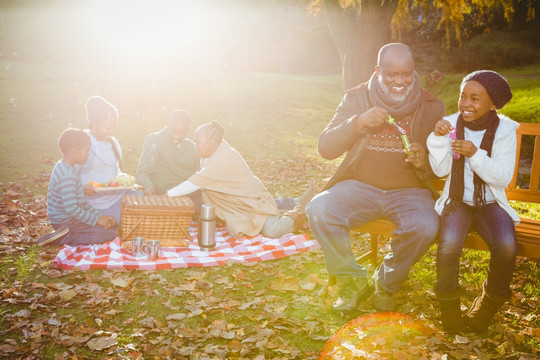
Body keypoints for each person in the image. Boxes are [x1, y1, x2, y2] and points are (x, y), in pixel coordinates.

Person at [306, 43, 445, 313]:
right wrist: (357, 123)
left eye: (406, 74)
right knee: (319, 209)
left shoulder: (431, 105)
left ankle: (386, 281)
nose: (400, 81)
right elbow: (325, 148)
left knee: (425, 226)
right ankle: (352, 280)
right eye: (392, 74)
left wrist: (423, 161)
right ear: (378, 70)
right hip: (359, 188)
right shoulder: (356, 99)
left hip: (410, 192)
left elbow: (444, 162)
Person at [427, 70, 519, 333]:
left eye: (475, 98)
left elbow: (501, 178)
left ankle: (489, 304)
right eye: (462, 96)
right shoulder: (451, 125)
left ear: (492, 104)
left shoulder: (505, 131)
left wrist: (475, 154)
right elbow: (441, 170)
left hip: (490, 202)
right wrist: (436, 138)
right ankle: (449, 307)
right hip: (458, 200)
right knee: (449, 245)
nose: (466, 103)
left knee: (505, 244)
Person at [167, 120, 313, 238]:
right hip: (236, 205)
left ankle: (298, 214)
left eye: (198, 141)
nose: (195, 145)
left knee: (273, 231)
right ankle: (291, 204)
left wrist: (166, 196)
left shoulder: (223, 158)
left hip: (253, 203)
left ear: (211, 143)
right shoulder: (212, 151)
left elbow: (193, 183)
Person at [37, 128, 117, 246]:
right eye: (86, 151)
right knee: (108, 234)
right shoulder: (67, 175)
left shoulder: (63, 167)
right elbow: (72, 209)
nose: (88, 155)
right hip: (66, 221)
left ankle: (64, 234)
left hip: (67, 219)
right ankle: (65, 239)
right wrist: (97, 220)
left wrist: (100, 216)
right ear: (75, 151)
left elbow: (82, 203)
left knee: (111, 228)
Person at [79, 96, 141, 224]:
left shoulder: (112, 143)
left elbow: (115, 171)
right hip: (95, 204)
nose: (111, 131)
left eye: (114, 127)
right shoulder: (83, 143)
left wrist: (124, 180)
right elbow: (69, 177)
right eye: (107, 128)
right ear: (94, 124)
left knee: (145, 203)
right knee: (130, 221)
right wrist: (81, 189)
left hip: (117, 196)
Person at [135, 110, 199, 196]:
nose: (177, 137)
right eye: (173, 132)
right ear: (168, 124)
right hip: (161, 195)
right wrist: (148, 185)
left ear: (188, 129)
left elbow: (199, 175)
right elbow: (142, 172)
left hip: (185, 195)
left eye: (181, 134)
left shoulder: (191, 147)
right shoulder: (155, 140)